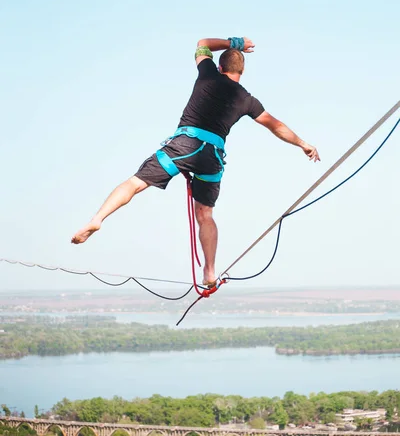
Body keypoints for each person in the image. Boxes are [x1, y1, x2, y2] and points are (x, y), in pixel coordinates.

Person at [72, 37, 320, 285]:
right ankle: (210, 271)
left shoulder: (208, 75)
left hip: (184, 146)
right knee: (205, 216)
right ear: (242, 72)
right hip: (211, 158)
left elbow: (202, 43)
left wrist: (235, 42)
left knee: (135, 183)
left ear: (220, 67)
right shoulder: (247, 100)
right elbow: (276, 126)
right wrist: (303, 144)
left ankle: (98, 219)